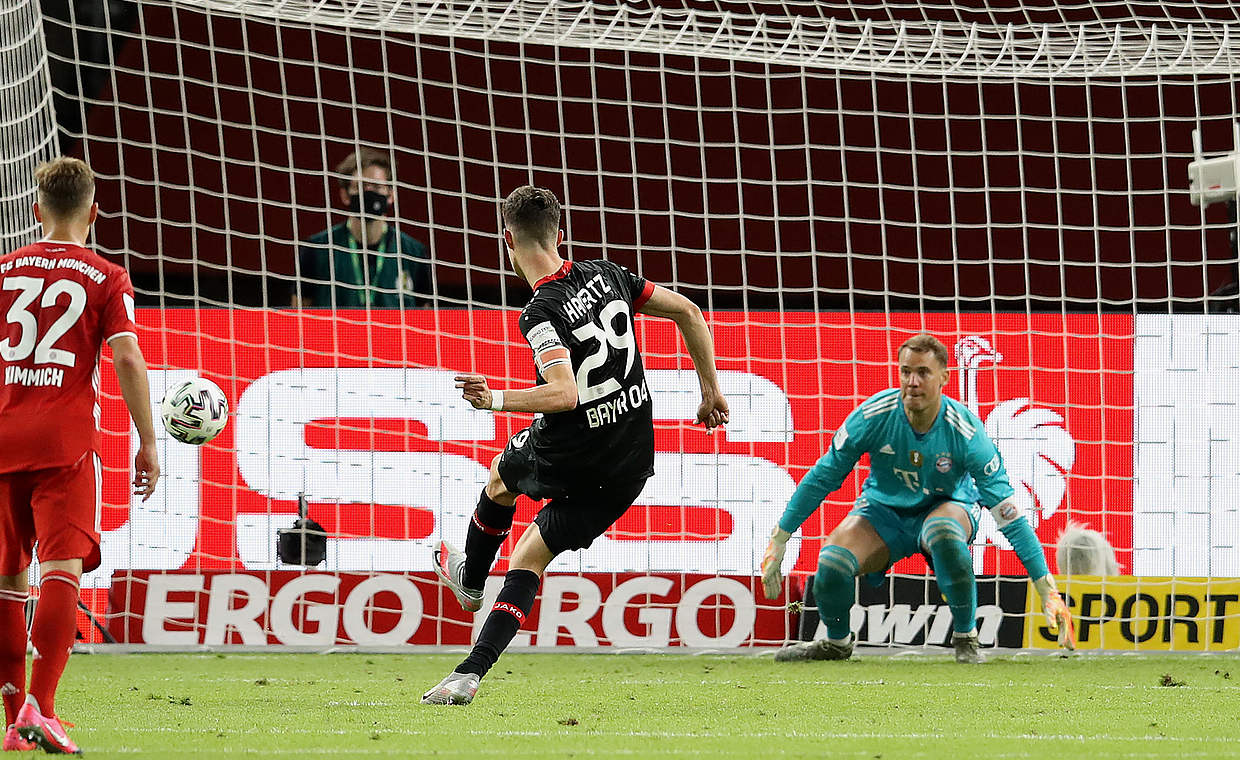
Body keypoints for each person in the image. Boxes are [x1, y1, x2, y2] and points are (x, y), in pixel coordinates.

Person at [421, 186, 730, 705]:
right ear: (561, 235)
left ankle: (470, 580)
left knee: (500, 476)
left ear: (507, 242)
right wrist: (710, 391)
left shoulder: (540, 312)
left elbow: (564, 393)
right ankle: (468, 673)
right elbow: (691, 313)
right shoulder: (609, 275)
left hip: (571, 452)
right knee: (529, 556)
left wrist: (494, 399)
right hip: (630, 463)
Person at [0, 157, 159, 753]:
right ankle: (45, 706)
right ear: (94, 210)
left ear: (37, 210)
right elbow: (128, 359)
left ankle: (14, 720)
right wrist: (148, 440)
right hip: (64, 443)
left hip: (0, 442)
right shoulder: (106, 276)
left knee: (5, 580)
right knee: (60, 571)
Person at [759, 334, 1075, 662]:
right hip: (883, 512)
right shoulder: (874, 415)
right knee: (832, 562)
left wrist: (1046, 588)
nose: (912, 381)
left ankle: (966, 637)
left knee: (944, 534)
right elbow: (823, 476)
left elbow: (1008, 515)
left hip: (947, 507)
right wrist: (780, 538)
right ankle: (837, 643)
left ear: (944, 378)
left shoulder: (966, 432)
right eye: (905, 371)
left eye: (923, 372)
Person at [291, 148, 430, 308]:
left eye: (377, 187)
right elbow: (298, 316)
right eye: (361, 187)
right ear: (345, 195)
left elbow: (426, 316)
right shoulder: (317, 249)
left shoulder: (413, 252)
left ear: (391, 195)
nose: (368, 193)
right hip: (335, 333)